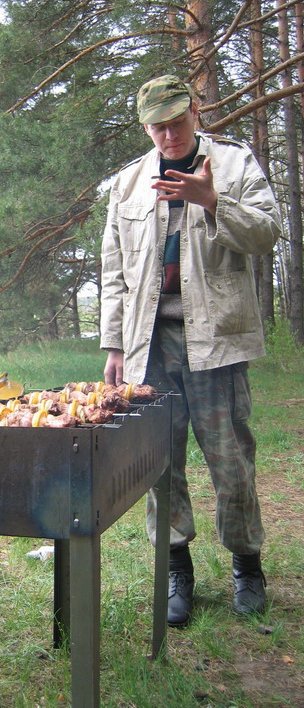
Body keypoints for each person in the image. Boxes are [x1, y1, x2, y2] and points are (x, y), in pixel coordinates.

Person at [100, 75, 281, 627]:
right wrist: (114, 343)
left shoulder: (234, 164)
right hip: (150, 345)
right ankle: (175, 568)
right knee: (160, 464)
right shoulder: (128, 182)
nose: (169, 134)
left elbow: (267, 234)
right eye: (157, 126)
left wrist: (213, 201)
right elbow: (114, 269)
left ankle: (247, 566)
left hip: (218, 341)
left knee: (232, 461)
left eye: (177, 122)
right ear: (145, 127)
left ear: (195, 112)